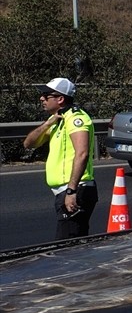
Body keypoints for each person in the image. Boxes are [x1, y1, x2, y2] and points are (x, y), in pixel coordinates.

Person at [23, 77, 99, 239]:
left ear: (60, 99)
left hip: (75, 189)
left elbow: (82, 153)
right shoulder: (58, 120)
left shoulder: (76, 118)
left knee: (67, 249)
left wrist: (71, 191)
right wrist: (47, 124)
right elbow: (28, 144)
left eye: (46, 95)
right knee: (71, 246)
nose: (41, 98)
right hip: (65, 191)